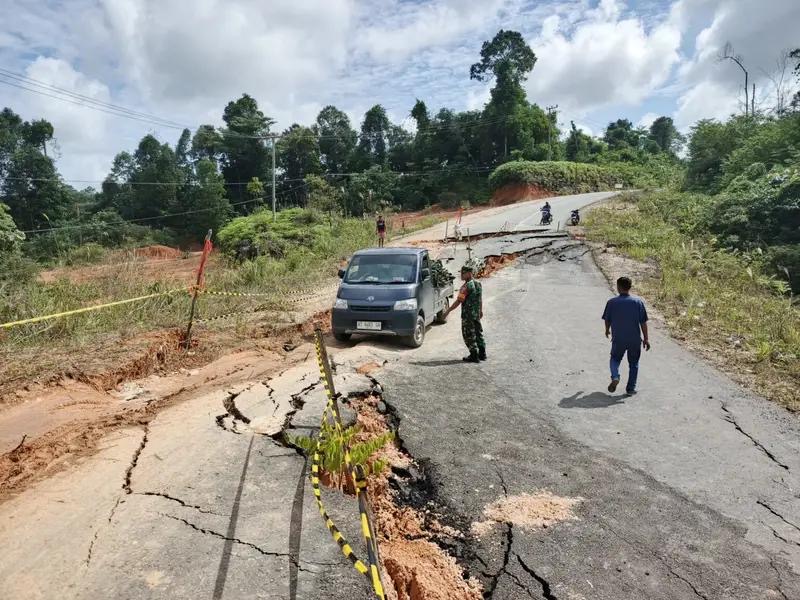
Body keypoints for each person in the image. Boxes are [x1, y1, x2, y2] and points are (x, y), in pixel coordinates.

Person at [602, 276, 651, 395]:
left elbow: (607, 319)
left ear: (618, 287)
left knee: (614, 358)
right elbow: (643, 322)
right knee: (634, 363)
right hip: (634, 339)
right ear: (630, 287)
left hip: (619, 338)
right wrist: (646, 339)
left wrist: (607, 330)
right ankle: (630, 388)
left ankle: (615, 376)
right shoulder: (638, 302)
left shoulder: (612, 302)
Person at [443, 265, 486, 363]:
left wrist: (448, 311)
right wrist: (480, 311)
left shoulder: (465, 287)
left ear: (469, 273)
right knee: (478, 332)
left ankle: (474, 355)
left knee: (468, 334)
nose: (461, 275)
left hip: (468, 316)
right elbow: (480, 299)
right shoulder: (478, 284)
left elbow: (459, 301)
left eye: (463, 273)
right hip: (476, 314)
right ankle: (482, 354)